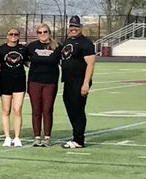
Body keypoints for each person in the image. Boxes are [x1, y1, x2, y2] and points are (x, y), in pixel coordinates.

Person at [59, 16, 96, 149]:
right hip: (68, 81)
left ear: (81, 28)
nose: (73, 29)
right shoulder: (67, 41)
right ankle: (76, 136)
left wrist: (85, 83)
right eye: (71, 26)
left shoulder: (86, 43)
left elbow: (91, 64)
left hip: (79, 81)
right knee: (71, 108)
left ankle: (79, 139)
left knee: (78, 110)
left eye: (76, 27)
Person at [0, 28, 30, 147]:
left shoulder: (23, 49)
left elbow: (28, 63)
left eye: (16, 34)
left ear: (19, 36)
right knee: (6, 110)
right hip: (5, 82)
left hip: (19, 82)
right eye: (11, 34)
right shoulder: (0, 49)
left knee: (17, 110)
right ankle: (7, 137)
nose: (13, 36)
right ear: (7, 36)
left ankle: (17, 137)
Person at [27, 24, 61, 147]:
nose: (42, 34)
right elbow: (24, 59)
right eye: (40, 32)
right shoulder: (32, 46)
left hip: (50, 82)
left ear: (49, 32)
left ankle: (47, 137)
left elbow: (64, 61)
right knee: (36, 110)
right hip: (34, 82)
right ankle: (36, 137)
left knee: (47, 110)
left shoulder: (57, 46)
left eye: (45, 31)